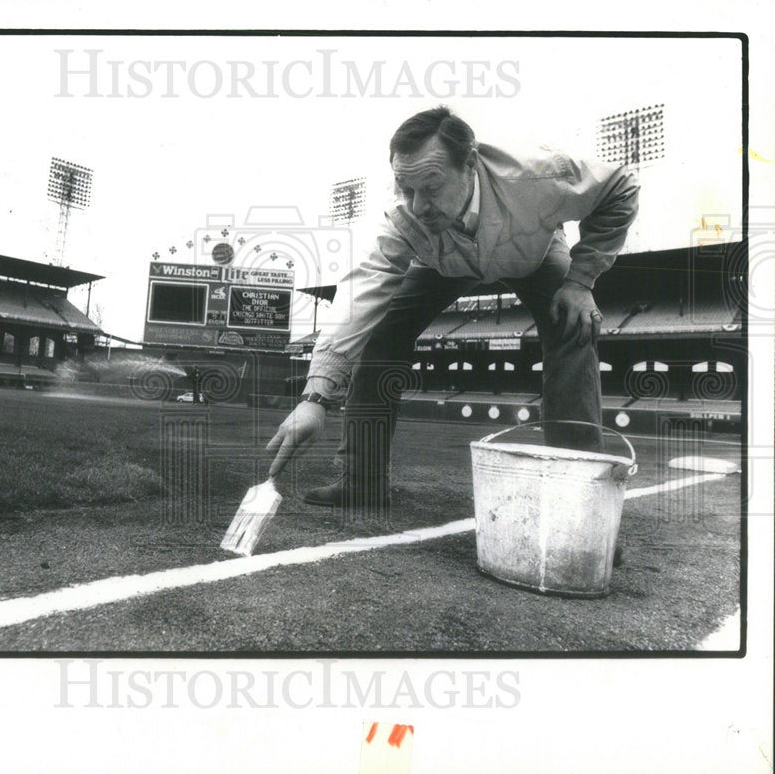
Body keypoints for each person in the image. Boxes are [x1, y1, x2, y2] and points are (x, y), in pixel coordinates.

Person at [266, 105, 639, 515]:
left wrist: (581, 280)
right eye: (406, 189)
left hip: (531, 253)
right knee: (380, 334)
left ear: (471, 164)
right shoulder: (406, 217)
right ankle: (361, 480)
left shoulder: (539, 175)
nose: (419, 206)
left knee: (575, 325)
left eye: (431, 187)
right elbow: (363, 292)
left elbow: (620, 187)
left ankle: (578, 505)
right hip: (440, 262)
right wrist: (315, 397)